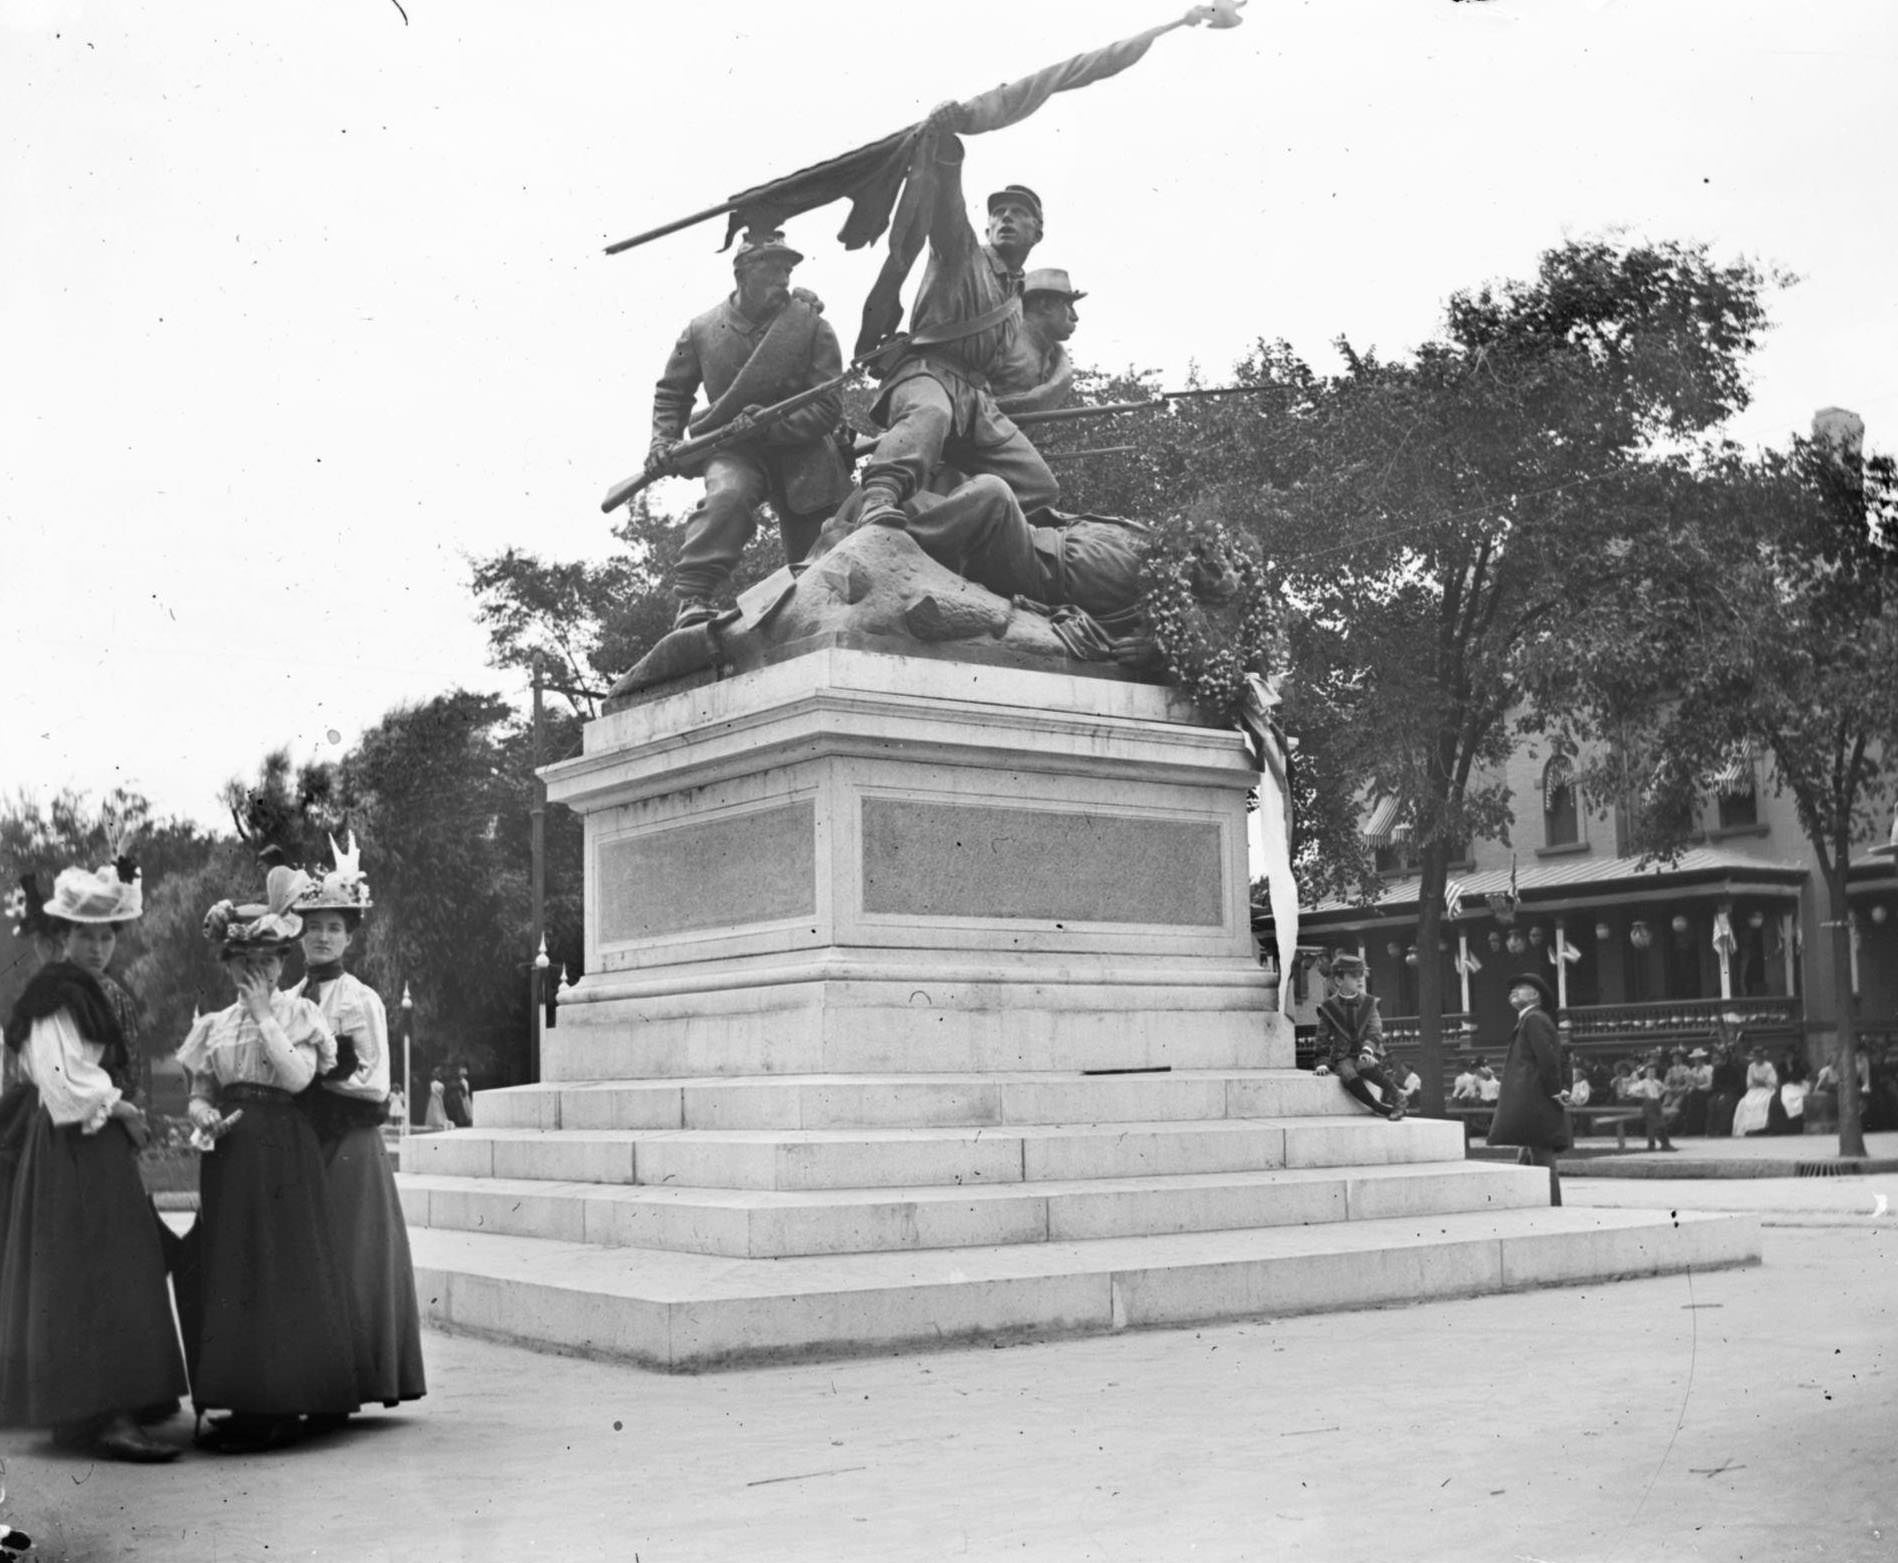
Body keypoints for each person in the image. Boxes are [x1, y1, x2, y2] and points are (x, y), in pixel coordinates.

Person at [0, 859, 188, 1462]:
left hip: (89, 1141)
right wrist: (119, 1106)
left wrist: (115, 1108)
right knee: (93, 1273)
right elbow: (60, 1083)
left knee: (107, 1270)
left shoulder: (80, 990)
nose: (99, 946)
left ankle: (100, 1408)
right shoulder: (55, 994)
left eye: (107, 935)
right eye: (86, 935)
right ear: (63, 937)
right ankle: (102, 1413)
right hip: (74, 1143)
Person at [177, 867, 359, 1451]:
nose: (257, 973)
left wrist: (262, 1013)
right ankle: (244, 1395)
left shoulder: (297, 1014)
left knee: (282, 1266)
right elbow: (202, 1088)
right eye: (244, 963)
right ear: (229, 965)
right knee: (234, 1268)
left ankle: (288, 1398)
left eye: (269, 962)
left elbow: (301, 1078)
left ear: (282, 965)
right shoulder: (212, 1026)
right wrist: (201, 1111)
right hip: (231, 1154)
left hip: (282, 1149)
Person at [855, 108, 1059, 528]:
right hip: (928, 375)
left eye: (1018, 214)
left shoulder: (1016, 297)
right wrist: (948, 153)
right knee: (931, 415)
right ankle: (878, 498)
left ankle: (941, 526)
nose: (1005, 218)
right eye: (998, 213)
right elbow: (949, 206)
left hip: (976, 400)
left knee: (1038, 486)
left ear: (1037, 233)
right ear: (985, 230)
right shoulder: (961, 251)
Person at [647, 229, 852, 627]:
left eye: (788, 269)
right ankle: (693, 597)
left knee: (825, 560)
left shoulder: (811, 326)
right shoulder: (702, 330)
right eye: (773, 268)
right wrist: (663, 441)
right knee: (727, 496)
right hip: (734, 447)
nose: (784, 277)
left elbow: (827, 406)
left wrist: (772, 427)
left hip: (802, 446)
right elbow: (672, 393)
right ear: (741, 273)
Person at [293, 836, 426, 1419]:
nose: (322, 937)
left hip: (350, 1141)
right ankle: (315, 1379)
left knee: (352, 1258)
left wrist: (318, 1074)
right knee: (308, 1260)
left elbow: (374, 1082)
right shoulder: (288, 997)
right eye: (312, 926)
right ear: (298, 933)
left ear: (349, 936)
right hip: (304, 1139)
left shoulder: (361, 999)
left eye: (333, 928)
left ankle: (359, 1376)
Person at [1485, 972, 1570, 1205]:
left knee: (1541, 1156)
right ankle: (1527, 1203)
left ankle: (1552, 1206)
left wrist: (1555, 1088)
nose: (1513, 992)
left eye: (1521, 988)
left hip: (1535, 1099)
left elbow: (1548, 1057)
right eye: (1513, 989)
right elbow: (1559, 1056)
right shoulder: (1531, 1019)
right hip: (1533, 1099)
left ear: (1535, 996)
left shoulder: (1533, 1019)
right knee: (1529, 1152)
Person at [1309, 954, 1405, 1121]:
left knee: (1364, 1065)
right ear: (1339, 981)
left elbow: (1375, 1029)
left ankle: (1399, 1098)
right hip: (1343, 1055)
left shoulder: (1369, 1003)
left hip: (1367, 1052)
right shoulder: (1329, 1007)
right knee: (1347, 1074)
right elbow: (1322, 1038)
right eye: (1353, 976)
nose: (1359, 980)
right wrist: (1322, 1063)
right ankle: (1378, 1107)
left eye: (1361, 975)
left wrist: (1368, 1049)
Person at [991, 268, 1083, 418]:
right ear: (1045, 305)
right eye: (1069, 305)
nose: (1075, 317)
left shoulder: (1053, 356)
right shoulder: (1002, 339)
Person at [1626, 1062, 1678, 1151]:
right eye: (1650, 1072)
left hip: (1656, 1103)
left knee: (1658, 1123)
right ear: (1646, 1073)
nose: (1652, 1074)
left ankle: (1654, 1144)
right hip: (1648, 1104)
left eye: (1653, 1072)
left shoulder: (1656, 1082)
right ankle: (1664, 1144)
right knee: (1657, 1124)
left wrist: (1660, 1094)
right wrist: (1642, 1095)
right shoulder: (1643, 1082)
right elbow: (1631, 1091)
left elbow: (1664, 1088)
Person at [1731, 1047, 1779, 1137]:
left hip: (1766, 1090)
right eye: (1756, 1056)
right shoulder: (1751, 1067)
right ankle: (1749, 1127)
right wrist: (1755, 1084)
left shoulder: (1769, 1066)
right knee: (1745, 1102)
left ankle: (1761, 1127)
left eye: (1759, 1056)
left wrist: (1763, 1082)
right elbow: (1749, 1083)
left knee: (1763, 1102)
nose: (1758, 1058)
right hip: (1754, 1090)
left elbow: (1773, 1082)